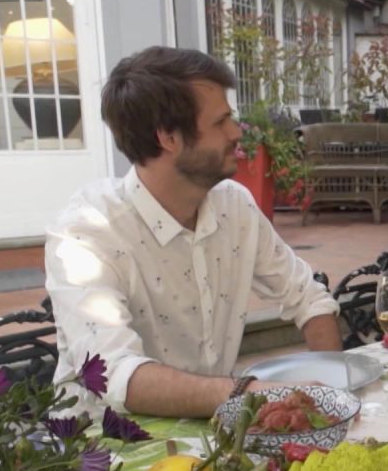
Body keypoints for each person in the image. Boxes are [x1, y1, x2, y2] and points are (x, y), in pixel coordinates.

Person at [45, 47, 341, 418]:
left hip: (211, 435)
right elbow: (115, 374)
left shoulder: (235, 206)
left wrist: (333, 397)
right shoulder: (86, 233)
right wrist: (254, 394)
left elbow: (308, 297)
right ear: (168, 137)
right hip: (106, 451)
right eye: (220, 122)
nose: (237, 133)